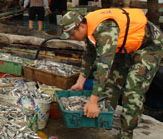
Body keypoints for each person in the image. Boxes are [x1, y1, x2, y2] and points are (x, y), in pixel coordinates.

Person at [61, 9, 163, 139]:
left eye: (72, 34)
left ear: (81, 26)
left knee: (133, 89)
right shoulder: (89, 28)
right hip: (127, 46)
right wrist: (80, 82)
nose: (72, 38)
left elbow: (104, 67)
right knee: (111, 83)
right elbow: (89, 55)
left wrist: (93, 101)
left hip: (149, 47)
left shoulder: (105, 32)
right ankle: (105, 119)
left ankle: (126, 133)